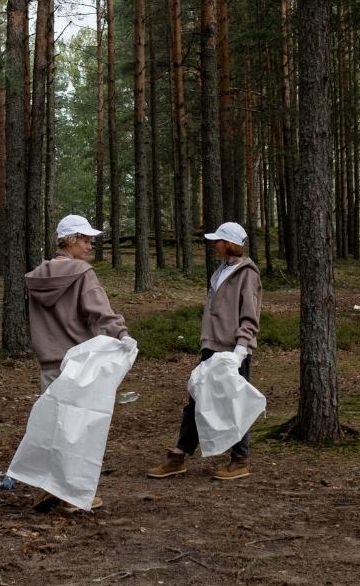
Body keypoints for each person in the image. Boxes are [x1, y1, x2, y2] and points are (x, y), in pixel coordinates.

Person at [24, 214, 136, 510]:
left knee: (53, 426)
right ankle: (71, 494)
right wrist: (122, 334)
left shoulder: (38, 276)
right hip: (78, 363)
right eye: (85, 240)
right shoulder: (82, 273)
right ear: (70, 240)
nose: (89, 246)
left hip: (49, 363)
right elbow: (101, 311)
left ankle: (48, 488)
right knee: (77, 430)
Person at [147, 221, 261, 481]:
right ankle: (179, 455)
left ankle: (240, 459)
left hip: (233, 350)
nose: (214, 244)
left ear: (229, 244)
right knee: (197, 397)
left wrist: (241, 349)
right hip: (213, 346)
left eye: (218, 240)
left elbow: (250, 314)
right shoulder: (222, 270)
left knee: (234, 402)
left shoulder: (247, 274)